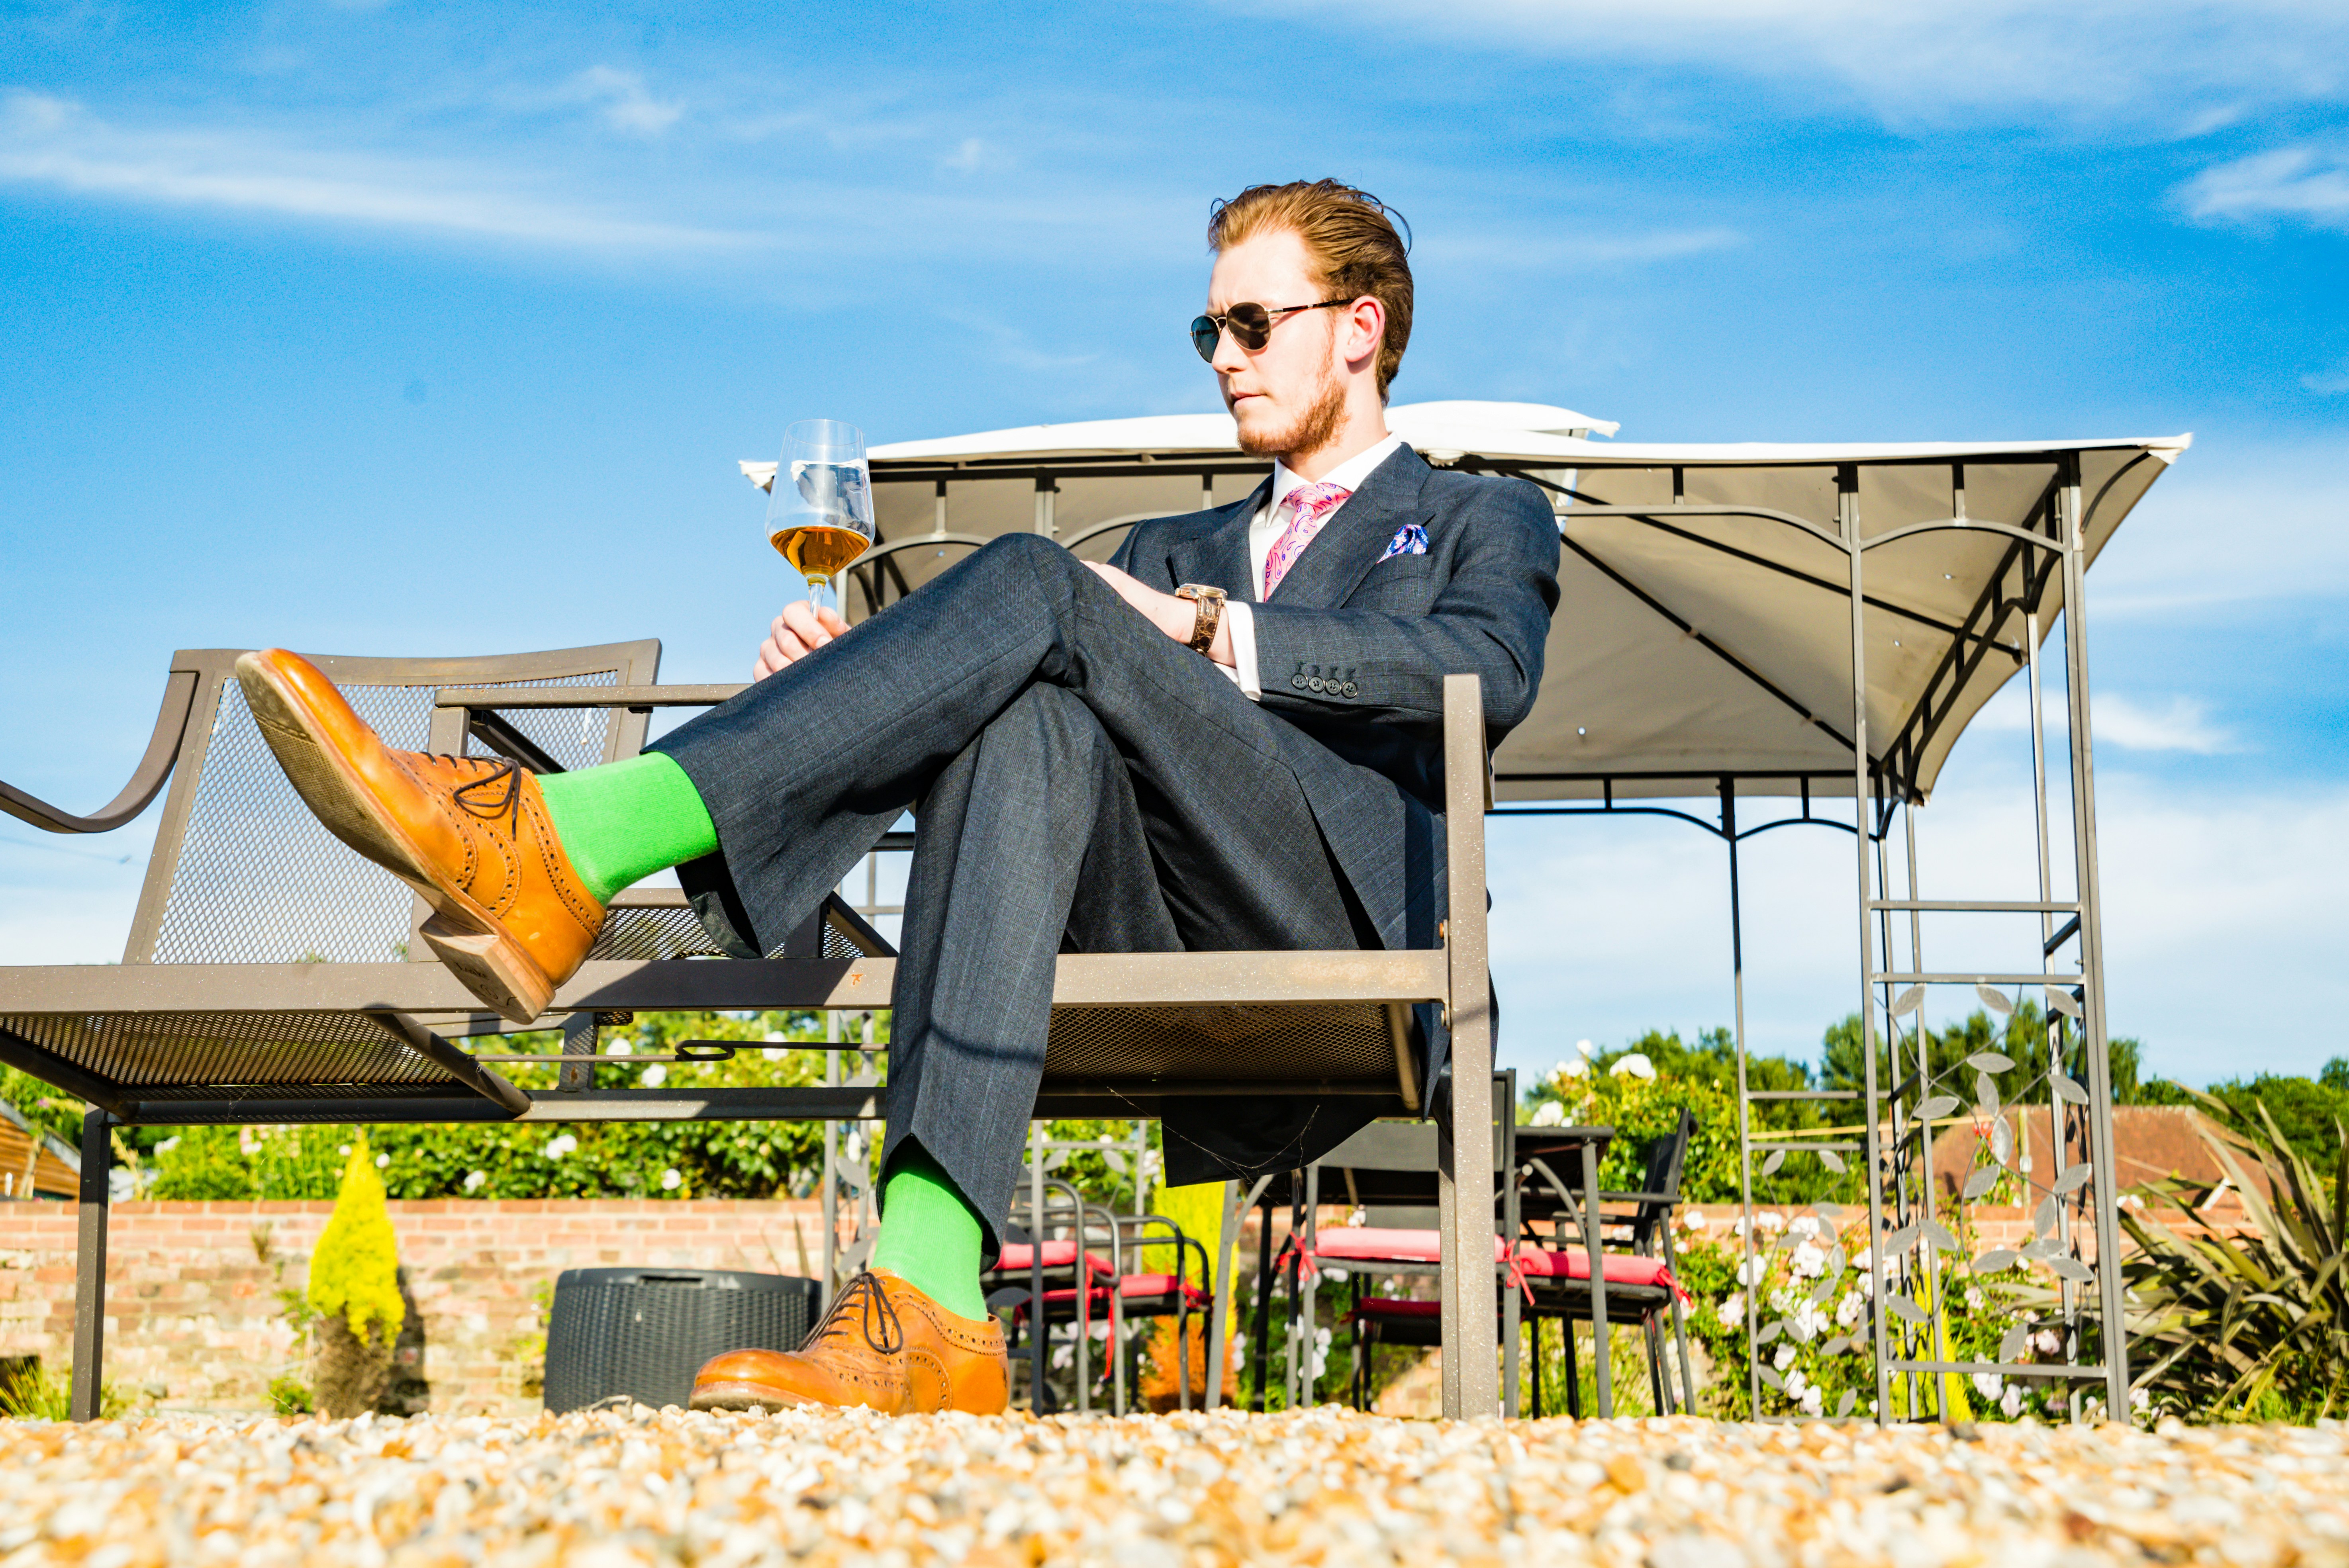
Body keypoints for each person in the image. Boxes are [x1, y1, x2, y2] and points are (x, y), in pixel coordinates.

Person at [235, 178, 1561, 1417]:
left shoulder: (1474, 517)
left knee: (1045, 584)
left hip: (1341, 925)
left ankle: (569, 839)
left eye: (1253, 323)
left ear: (1361, 328)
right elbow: (1033, 765)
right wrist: (857, 690)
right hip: (1159, 926)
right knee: (1029, 707)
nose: (1223, 353)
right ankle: (928, 1300)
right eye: (1207, 326)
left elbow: (1486, 671)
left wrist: (1207, 630)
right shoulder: (1172, 541)